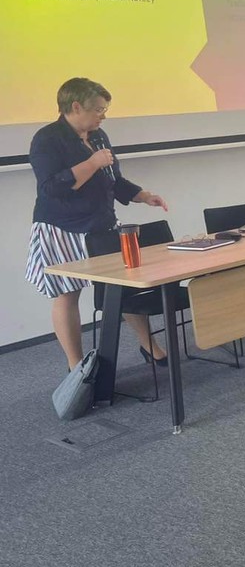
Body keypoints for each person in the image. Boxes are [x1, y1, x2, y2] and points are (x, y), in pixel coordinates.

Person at [26, 77, 169, 371]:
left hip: (101, 223)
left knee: (123, 287)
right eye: (99, 110)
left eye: (105, 110)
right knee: (68, 293)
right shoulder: (47, 139)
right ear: (76, 106)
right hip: (62, 227)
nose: (103, 116)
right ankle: (77, 368)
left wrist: (143, 196)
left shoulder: (99, 136)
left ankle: (149, 346)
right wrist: (92, 163)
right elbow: (52, 188)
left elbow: (113, 179)